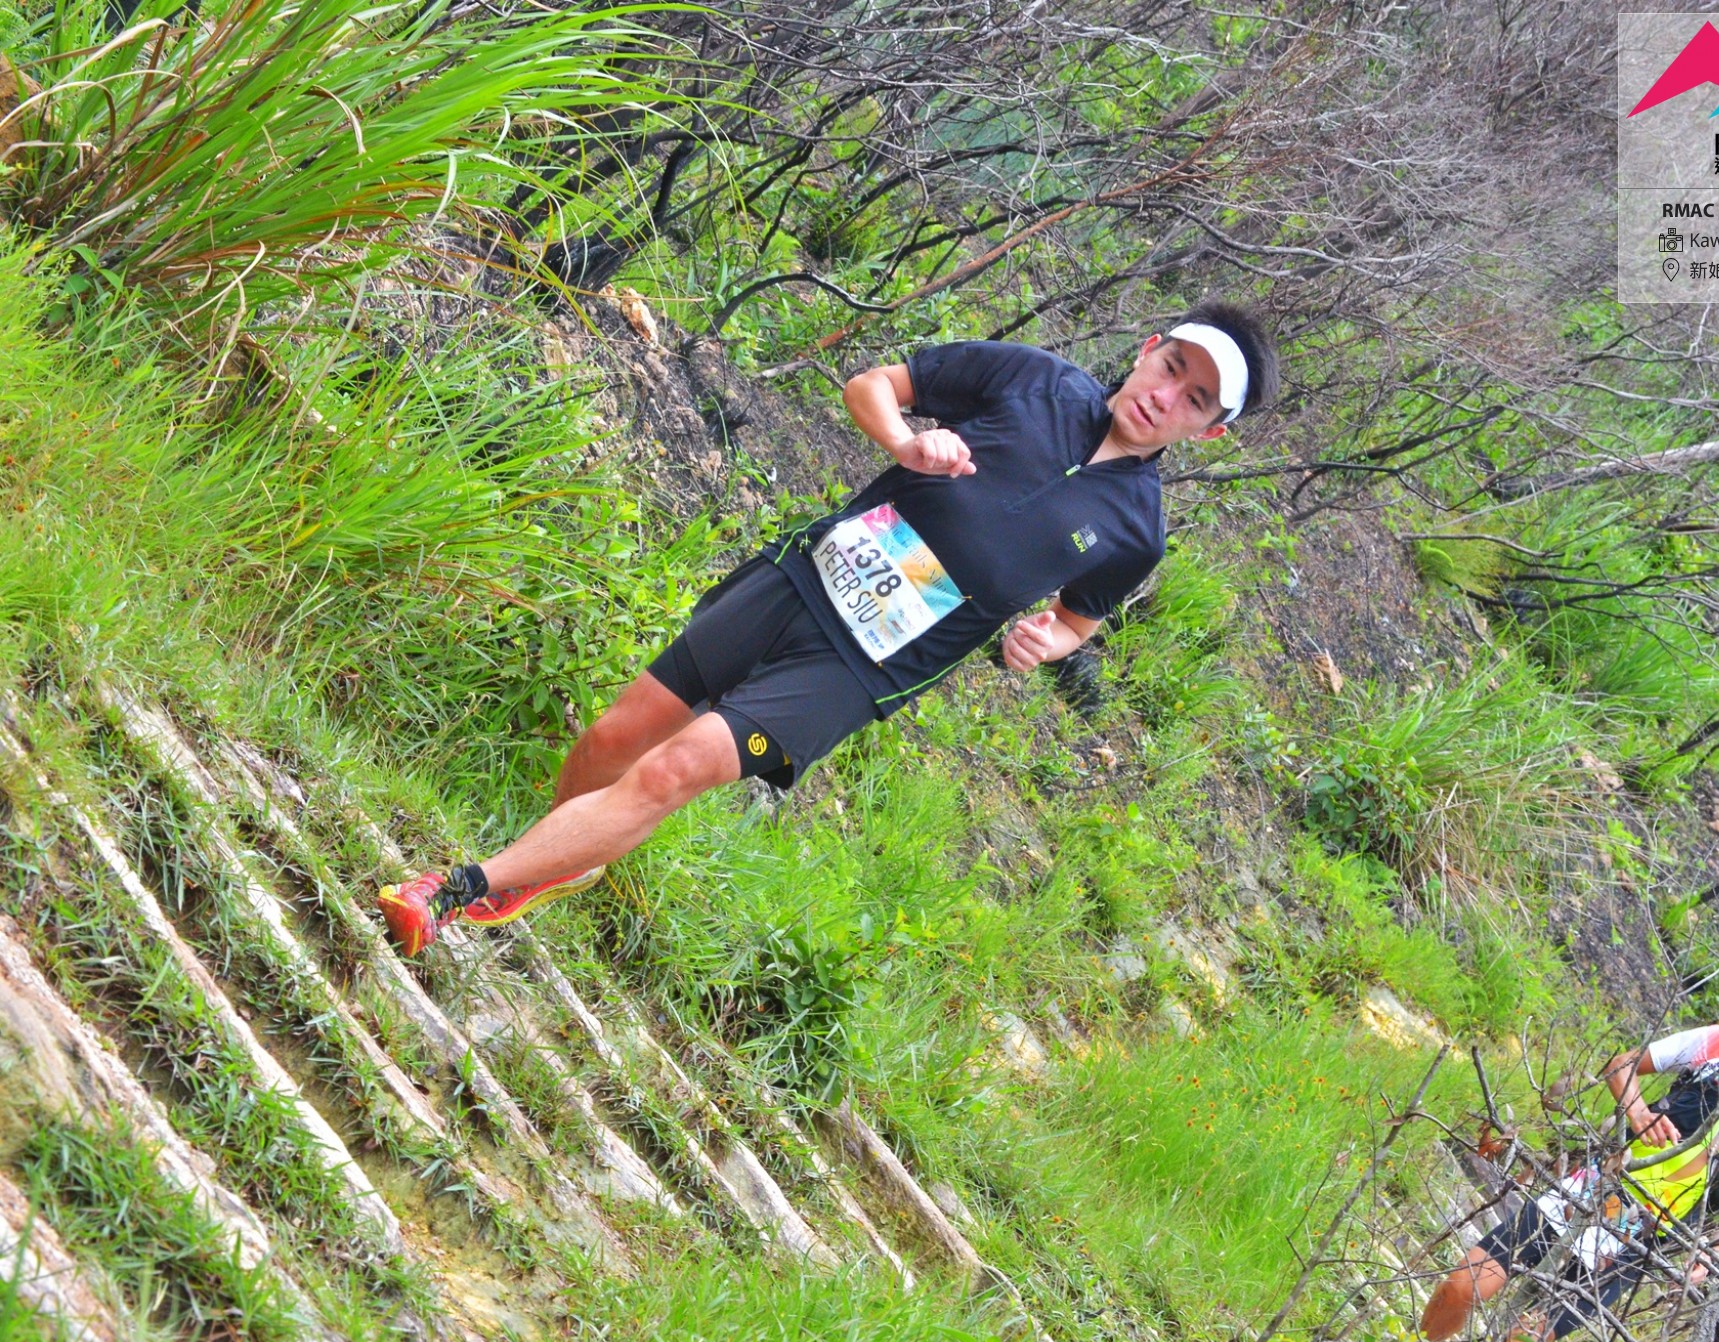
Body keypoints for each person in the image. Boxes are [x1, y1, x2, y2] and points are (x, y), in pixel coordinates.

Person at [377, 301, 1281, 955]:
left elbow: (1076, 620)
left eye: (1196, 399)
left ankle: (456, 891)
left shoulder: (1136, 531)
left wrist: (1046, 642)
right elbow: (872, 385)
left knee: (675, 768)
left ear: (1209, 432)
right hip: (806, 577)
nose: (1168, 395)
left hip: (862, 666)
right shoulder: (1034, 377)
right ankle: (555, 862)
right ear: (1149, 349)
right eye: (1173, 368)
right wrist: (905, 443)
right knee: (614, 739)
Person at [1401, 985, 1719, 1342]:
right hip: (1593, 1190)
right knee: (1463, 1285)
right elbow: (1622, 1066)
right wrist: (1639, 1114)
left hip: (1641, 1243)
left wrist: (1709, 1255)